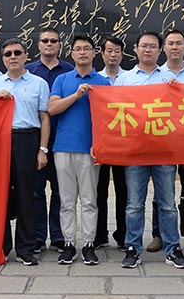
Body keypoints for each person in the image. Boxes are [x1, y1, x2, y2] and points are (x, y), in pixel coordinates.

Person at [115, 32, 184, 269]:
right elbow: (114, 114)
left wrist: (177, 91)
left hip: (164, 151)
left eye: (153, 46)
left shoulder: (171, 78)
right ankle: (132, 248)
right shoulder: (124, 80)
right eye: (144, 46)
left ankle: (173, 248)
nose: (148, 50)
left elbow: (182, 112)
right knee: (134, 204)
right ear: (136, 49)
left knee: (167, 204)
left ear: (160, 50)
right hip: (135, 151)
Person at [0, 38, 50, 266]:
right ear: (3, 59)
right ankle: (1, 247)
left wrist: (42, 149)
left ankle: (26, 248)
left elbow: (44, 118)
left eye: (17, 53)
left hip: (27, 139)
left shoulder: (38, 83)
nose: (13, 57)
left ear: (26, 56)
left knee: (26, 195)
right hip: (0, 141)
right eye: (8, 54)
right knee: (0, 195)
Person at [48, 34, 110, 265]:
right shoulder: (62, 79)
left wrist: (100, 145)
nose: (82, 52)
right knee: (66, 200)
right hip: (63, 147)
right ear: (72, 54)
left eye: (87, 48)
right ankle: (68, 244)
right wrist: (76, 95)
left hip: (90, 149)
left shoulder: (103, 82)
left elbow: (108, 119)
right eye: (78, 49)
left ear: (94, 53)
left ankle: (89, 244)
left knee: (89, 200)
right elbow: (52, 108)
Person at [151, 29, 184, 253]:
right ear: (163, 48)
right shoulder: (156, 73)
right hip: (161, 140)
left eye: (179, 43)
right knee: (161, 192)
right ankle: (158, 234)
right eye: (170, 43)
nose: (174, 47)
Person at [25, 28, 73, 253]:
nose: (49, 44)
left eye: (54, 40)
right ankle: (37, 236)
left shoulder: (69, 71)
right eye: (45, 40)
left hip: (62, 139)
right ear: (38, 45)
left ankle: (58, 235)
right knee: (36, 191)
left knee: (60, 191)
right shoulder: (28, 71)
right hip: (35, 140)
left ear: (60, 45)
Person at [95, 36, 127, 250]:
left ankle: (123, 235)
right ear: (102, 53)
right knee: (99, 190)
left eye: (117, 51)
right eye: (109, 51)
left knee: (124, 191)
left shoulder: (129, 79)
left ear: (122, 54)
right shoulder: (95, 80)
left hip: (125, 143)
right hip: (102, 141)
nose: (113, 55)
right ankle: (99, 235)